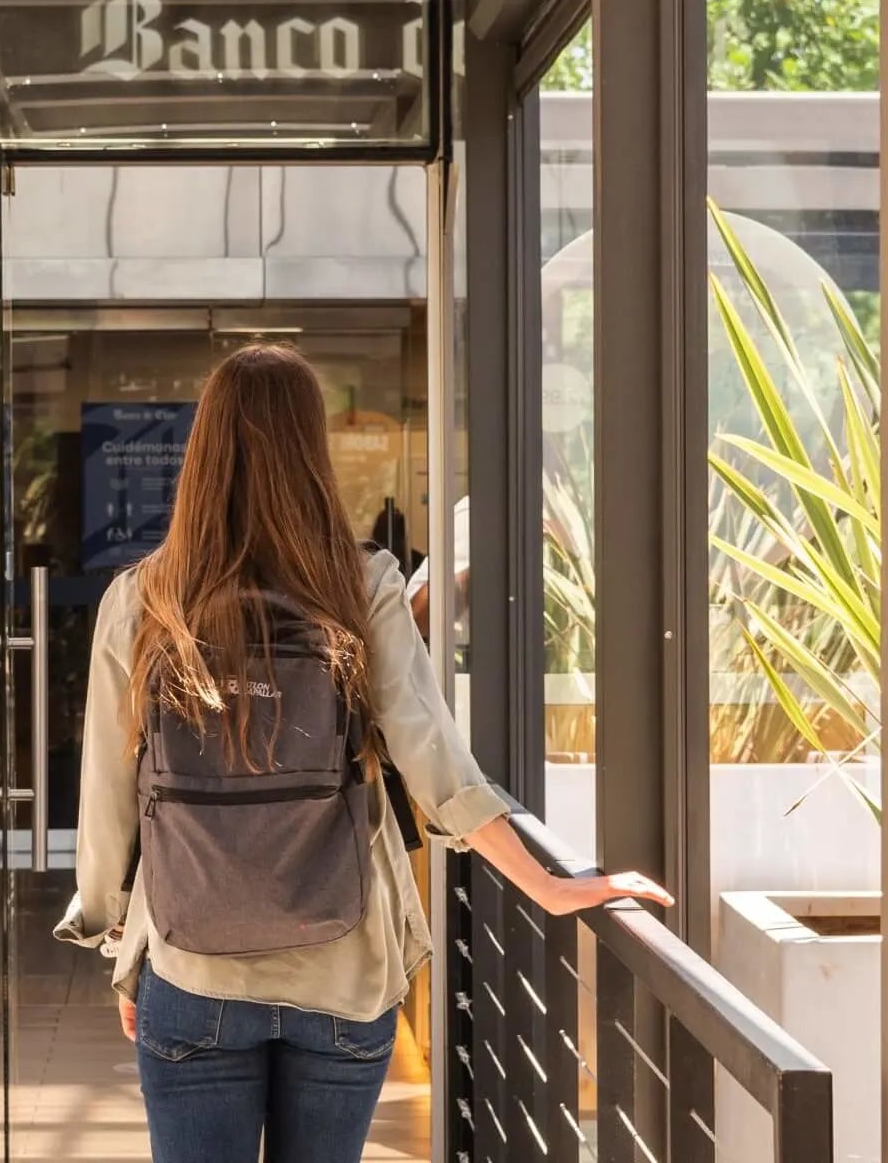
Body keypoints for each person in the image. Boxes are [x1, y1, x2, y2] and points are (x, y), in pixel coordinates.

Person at [56, 344, 671, 1163]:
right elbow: (434, 761)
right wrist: (547, 887)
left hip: (192, 965)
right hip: (344, 971)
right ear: (311, 452)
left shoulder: (145, 597)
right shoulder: (363, 581)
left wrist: (116, 941)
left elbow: (108, 795)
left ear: (204, 453)